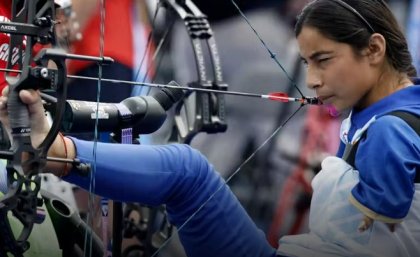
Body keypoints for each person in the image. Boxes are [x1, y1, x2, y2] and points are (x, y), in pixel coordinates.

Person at [0, 0, 419, 257]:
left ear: (375, 49)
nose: (310, 81)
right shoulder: (388, 106)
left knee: (187, 172)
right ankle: (54, 149)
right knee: (187, 172)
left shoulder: (390, 130)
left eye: (323, 61)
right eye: (307, 63)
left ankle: (53, 149)